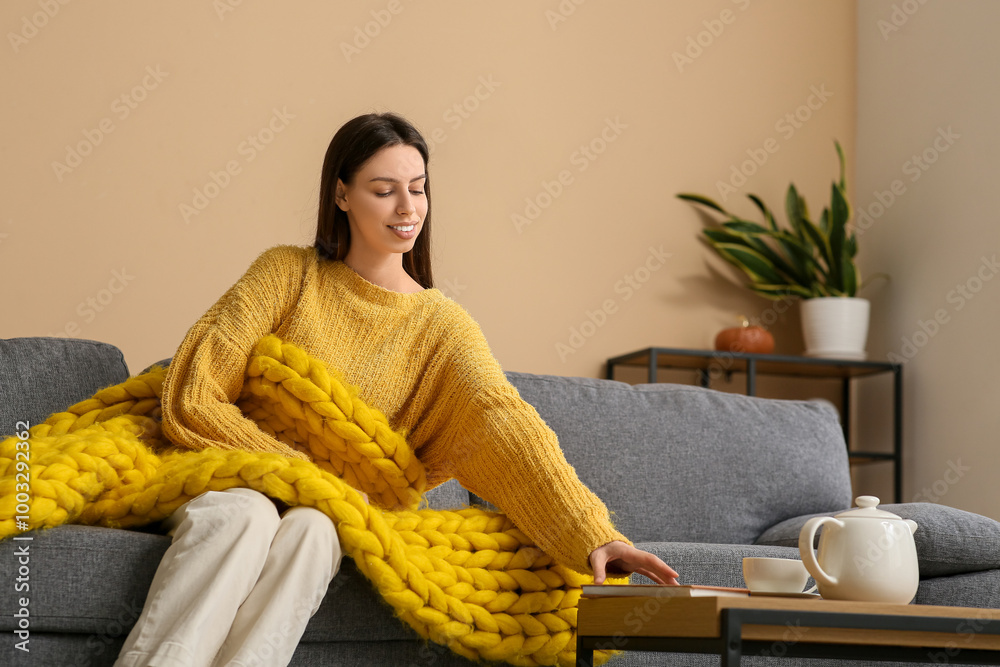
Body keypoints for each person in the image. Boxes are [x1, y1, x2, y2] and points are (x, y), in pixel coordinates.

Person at [114, 112, 679, 667]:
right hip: (228, 474)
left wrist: (592, 535)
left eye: (418, 189)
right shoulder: (288, 273)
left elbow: (501, 421)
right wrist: (298, 475)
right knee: (247, 517)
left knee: (315, 531)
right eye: (384, 191)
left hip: (332, 511)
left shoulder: (441, 326)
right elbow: (195, 390)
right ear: (342, 195)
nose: (408, 209)